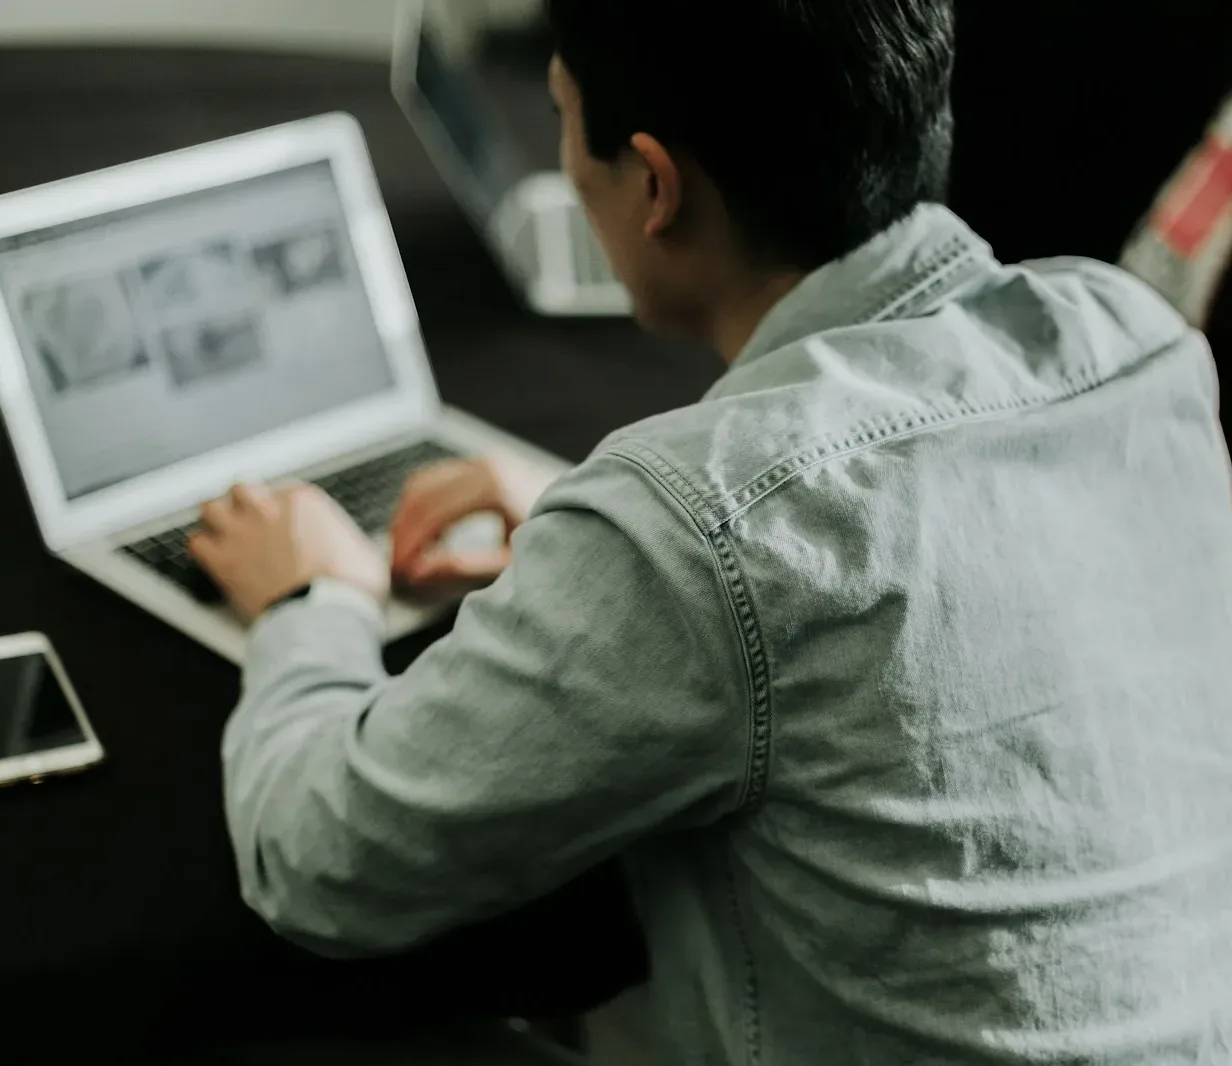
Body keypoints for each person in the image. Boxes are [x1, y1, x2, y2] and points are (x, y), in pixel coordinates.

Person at [187, 0, 1232, 1062]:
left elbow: (316, 862)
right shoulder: (1133, 343)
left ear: (653, 184)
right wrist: (582, 526)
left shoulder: (697, 527)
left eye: (559, 115)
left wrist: (308, 599)